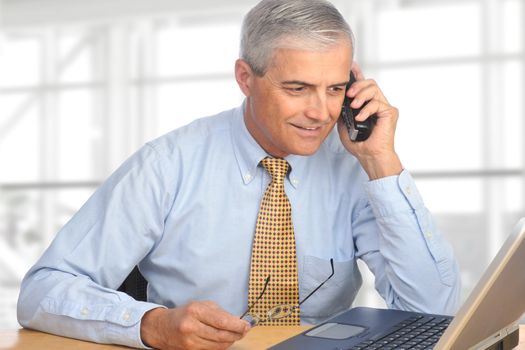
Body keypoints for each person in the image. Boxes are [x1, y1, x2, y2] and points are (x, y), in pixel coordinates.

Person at [17, 0, 460, 349]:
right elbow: (43, 290)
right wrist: (151, 325)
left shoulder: (354, 166)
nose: (320, 112)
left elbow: (433, 313)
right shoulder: (168, 164)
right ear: (245, 78)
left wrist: (382, 161)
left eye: (336, 88)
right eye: (297, 88)